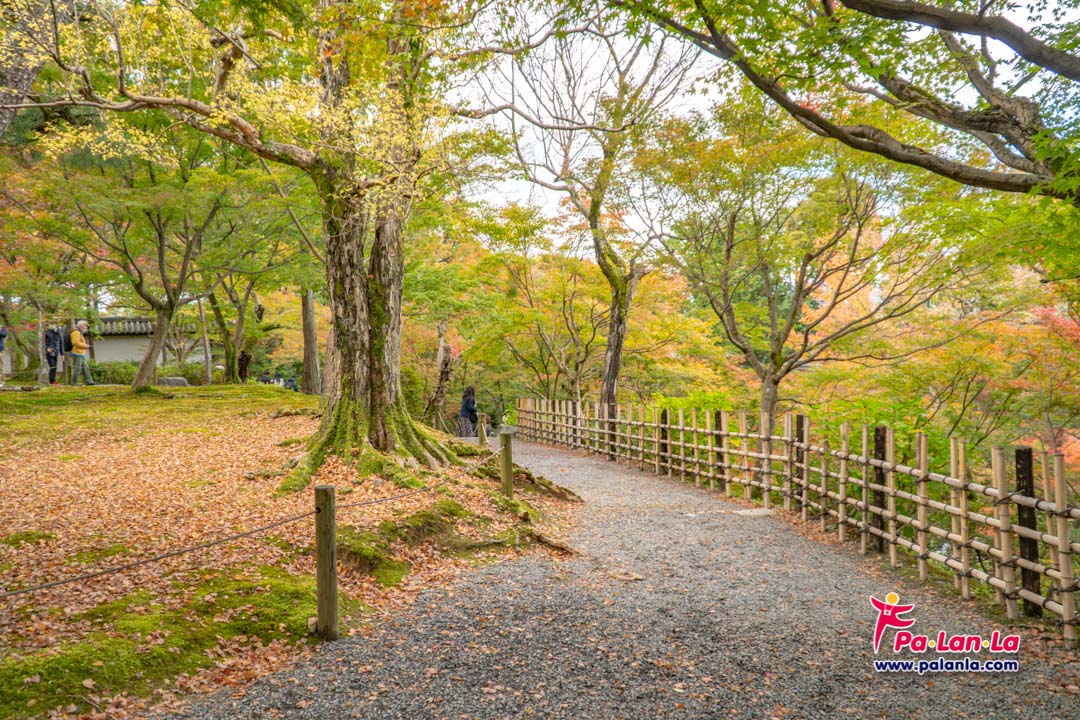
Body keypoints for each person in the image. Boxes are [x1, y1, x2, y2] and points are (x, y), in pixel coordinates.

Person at [68, 321, 95, 386]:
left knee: (85, 368)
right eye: (85, 325)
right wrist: (86, 346)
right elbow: (75, 343)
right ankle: (74, 382)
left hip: (80, 353)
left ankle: (89, 381)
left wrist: (86, 345)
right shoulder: (76, 332)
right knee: (77, 368)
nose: (86, 327)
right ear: (81, 325)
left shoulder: (79, 332)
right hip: (77, 353)